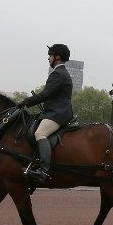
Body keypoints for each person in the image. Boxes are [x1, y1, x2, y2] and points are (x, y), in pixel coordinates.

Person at [19, 44, 75, 183]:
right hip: (54, 111)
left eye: (50, 55)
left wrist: (25, 102)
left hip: (58, 113)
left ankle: (43, 170)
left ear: (57, 57)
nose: (48, 58)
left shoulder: (58, 73)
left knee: (40, 134)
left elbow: (46, 94)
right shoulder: (60, 73)